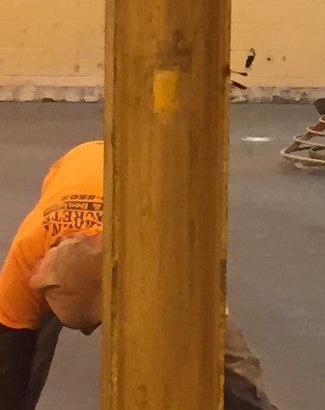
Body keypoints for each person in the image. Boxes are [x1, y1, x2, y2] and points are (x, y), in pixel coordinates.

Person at [0, 141, 277, 410]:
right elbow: (11, 358)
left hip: (146, 192)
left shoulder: (156, 245)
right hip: (79, 163)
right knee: (17, 370)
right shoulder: (25, 260)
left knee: (226, 363)